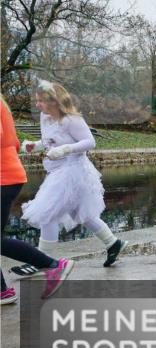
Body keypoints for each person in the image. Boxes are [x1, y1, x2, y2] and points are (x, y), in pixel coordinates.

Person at [13, 81, 126, 273]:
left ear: (54, 101)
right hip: (58, 171)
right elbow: (50, 140)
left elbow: (90, 142)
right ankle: (113, 243)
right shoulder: (45, 117)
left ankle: (41, 261)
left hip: (74, 171)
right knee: (81, 212)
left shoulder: (72, 120)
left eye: (41, 101)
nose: (37, 105)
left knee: (47, 213)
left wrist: (66, 149)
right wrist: (35, 145)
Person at [1, 96, 74, 304]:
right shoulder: (2, 105)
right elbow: (14, 143)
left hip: (3, 178)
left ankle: (53, 266)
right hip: (9, 175)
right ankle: (3, 292)